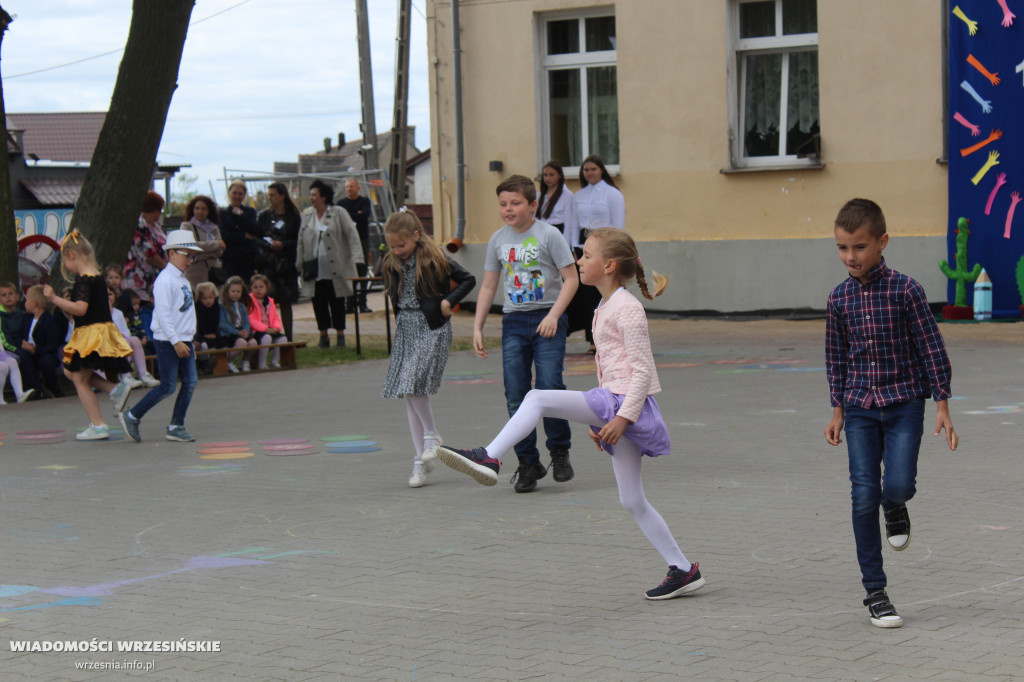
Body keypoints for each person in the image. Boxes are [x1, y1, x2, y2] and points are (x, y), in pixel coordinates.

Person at [439, 228, 705, 599]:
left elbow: (643, 372)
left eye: (587, 256)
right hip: (614, 405)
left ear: (609, 265)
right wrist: (604, 422)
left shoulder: (628, 309)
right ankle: (682, 568)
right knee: (631, 500)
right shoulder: (606, 305)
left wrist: (620, 419)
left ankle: (490, 457)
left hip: (621, 403)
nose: (579, 261)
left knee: (536, 397)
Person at [824, 198, 959, 629]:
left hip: (904, 404)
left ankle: (895, 505)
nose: (851, 257)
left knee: (897, 484)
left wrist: (942, 403)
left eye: (859, 247)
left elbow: (930, 347)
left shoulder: (907, 290)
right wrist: (837, 409)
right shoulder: (839, 299)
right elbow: (836, 357)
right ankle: (875, 591)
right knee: (862, 493)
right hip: (861, 407)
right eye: (843, 248)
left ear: (882, 242)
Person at [473, 174, 579, 493]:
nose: (508, 209)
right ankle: (527, 462)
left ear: (532, 205)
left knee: (549, 387)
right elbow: (490, 285)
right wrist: (477, 327)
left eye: (515, 203)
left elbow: (572, 279)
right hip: (514, 323)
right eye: (503, 204)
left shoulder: (549, 235)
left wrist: (554, 315)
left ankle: (559, 452)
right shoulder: (498, 240)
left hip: (547, 319)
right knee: (516, 393)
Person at [379, 209, 476, 488]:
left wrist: (448, 302)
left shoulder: (435, 258)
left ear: (417, 237)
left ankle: (432, 435)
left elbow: (468, 279)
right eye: (393, 246)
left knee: (411, 385)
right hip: (406, 330)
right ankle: (421, 459)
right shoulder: (392, 262)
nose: (398, 251)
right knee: (409, 393)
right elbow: (393, 295)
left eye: (402, 245)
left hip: (431, 327)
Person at [44, 230, 133, 439]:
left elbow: (80, 308)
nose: (66, 267)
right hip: (99, 331)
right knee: (71, 372)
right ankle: (113, 391)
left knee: (78, 378)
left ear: (72, 255)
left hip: (90, 334)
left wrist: (54, 299)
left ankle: (99, 424)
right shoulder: (97, 277)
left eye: (65, 261)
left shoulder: (84, 280)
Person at [119, 230, 204, 443]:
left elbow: (184, 312)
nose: (191, 260)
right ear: (172, 253)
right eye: (187, 255)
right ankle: (132, 415)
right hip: (168, 340)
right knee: (167, 385)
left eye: (194, 256)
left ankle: (176, 425)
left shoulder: (182, 280)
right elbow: (164, 315)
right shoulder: (165, 280)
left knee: (190, 382)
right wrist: (176, 341)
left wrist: (187, 338)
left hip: (181, 339)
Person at [296, 179, 364, 349]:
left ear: (324, 197)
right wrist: (299, 263)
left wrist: (357, 259)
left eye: (314, 195)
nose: (311, 198)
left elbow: (352, 235)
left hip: (335, 267)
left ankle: (340, 335)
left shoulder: (338, 212)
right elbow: (300, 241)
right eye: (311, 195)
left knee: (337, 301)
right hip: (314, 267)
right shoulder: (306, 214)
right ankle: (323, 335)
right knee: (318, 301)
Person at [571, 155, 625, 353]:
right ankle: (592, 339)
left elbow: (618, 224)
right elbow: (573, 223)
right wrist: (573, 248)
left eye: (593, 169)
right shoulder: (579, 196)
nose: (590, 173)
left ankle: (612, 336)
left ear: (601, 170)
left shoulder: (613, 194)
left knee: (605, 291)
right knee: (586, 296)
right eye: (586, 170)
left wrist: (615, 250)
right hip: (583, 246)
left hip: (605, 247)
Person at [256, 182, 301, 340]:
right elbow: (257, 238)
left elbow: (298, 240)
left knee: (286, 302)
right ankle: (269, 336)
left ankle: (289, 337)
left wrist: (284, 244)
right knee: (267, 302)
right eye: (269, 195)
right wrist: (268, 245)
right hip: (269, 264)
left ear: (282, 196)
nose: (270, 198)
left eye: (273, 195)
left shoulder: (294, 216)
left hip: (287, 264)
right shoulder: (264, 216)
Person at [15, 285, 62, 399]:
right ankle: (36, 389)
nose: (25, 303)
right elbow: (18, 334)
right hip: (28, 352)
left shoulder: (48, 321)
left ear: (34, 303)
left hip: (43, 352)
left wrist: (36, 350)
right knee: (23, 357)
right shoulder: (27, 317)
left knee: (46, 362)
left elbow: (52, 344)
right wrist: (23, 343)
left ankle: (53, 387)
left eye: (27, 300)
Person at [107, 286, 157, 389]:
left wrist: (123, 336)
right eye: (104, 295)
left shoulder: (118, 313)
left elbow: (125, 330)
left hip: (122, 341)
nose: (107, 298)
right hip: (108, 344)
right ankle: (125, 375)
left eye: (110, 294)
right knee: (125, 342)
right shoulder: (99, 313)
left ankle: (143, 374)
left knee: (134, 339)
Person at [123, 190, 168, 303]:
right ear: (153, 209)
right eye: (160, 210)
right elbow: (148, 253)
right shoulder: (140, 225)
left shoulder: (155, 225)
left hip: (157, 274)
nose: (161, 213)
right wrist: (167, 268)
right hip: (142, 276)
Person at [337, 178, 374, 313]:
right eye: (347, 187)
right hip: (346, 242)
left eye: (352, 186)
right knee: (348, 271)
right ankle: (349, 304)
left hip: (362, 239)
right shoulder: (340, 204)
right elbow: (340, 218)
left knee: (362, 271)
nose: (349, 189)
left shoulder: (364, 201)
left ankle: (362, 303)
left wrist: (350, 216)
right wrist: (354, 215)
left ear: (358, 188)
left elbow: (364, 216)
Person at [181, 195, 226, 290]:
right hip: (195, 274)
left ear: (209, 211)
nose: (200, 212)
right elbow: (190, 247)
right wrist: (215, 245)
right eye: (197, 208)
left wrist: (199, 255)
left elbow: (220, 251)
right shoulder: (186, 226)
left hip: (214, 272)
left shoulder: (214, 227)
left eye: (203, 209)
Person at [1, 282, 34, 405]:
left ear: (17, 296)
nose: (8, 297)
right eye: (4, 295)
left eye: (10, 294)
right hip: (9, 350)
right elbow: (5, 339)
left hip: (23, 348)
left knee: (13, 361)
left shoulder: (23, 315)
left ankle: (20, 394)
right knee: (10, 362)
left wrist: (30, 346)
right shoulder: (1, 317)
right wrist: (17, 349)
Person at [219, 180, 260, 281]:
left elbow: (254, 230)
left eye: (240, 194)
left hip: (248, 257)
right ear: (229, 194)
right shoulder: (222, 213)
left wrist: (241, 215)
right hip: (230, 258)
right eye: (234, 193)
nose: (237, 196)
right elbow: (224, 235)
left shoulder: (250, 212)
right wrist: (244, 236)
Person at [247, 273, 287, 369]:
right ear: (251, 288)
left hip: (270, 329)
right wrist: (266, 329)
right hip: (256, 331)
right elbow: (251, 319)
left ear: (267, 288)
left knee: (283, 339)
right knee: (266, 338)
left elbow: (275, 317)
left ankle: (274, 362)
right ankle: (262, 363)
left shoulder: (269, 301)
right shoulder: (249, 301)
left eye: (261, 287)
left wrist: (276, 327)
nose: (258, 289)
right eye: (255, 287)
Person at [219, 276, 258, 372]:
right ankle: (227, 362)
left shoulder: (241, 305)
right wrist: (238, 332)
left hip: (241, 331)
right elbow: (223, 324)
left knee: (253, 343)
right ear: (227, 291)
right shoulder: (222, 305)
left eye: (238, 292)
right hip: (229, 333)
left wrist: (246, 331)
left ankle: (245, 361)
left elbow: (246, 321)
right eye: (233, 291)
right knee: (242, 343)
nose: (235, 294)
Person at [536, 161, 576, 249]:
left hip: (558, 233)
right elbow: (534, 218)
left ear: (559, 175)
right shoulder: (539, 195)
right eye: (545, 175)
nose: (547, 178)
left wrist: (565, 244)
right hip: (541, 234)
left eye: (551, 175)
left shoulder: (567, 195)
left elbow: (568, 222)